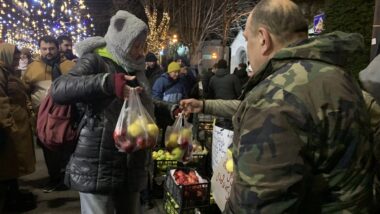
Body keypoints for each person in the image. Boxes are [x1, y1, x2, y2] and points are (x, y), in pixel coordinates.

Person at [180, 0, 373, 213]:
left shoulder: (276, 97)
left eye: (247, 39)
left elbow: (256, 205)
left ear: (263, 38)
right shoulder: (339, 77)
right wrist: (205, 105)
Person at [51, 10, 153, 214]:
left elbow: (142, 104)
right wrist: (107, 83)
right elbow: (59, 89)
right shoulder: (96, 61)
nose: (141, 52)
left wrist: (170, 108)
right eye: (136, 45)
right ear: (122, 42)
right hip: (97, 163)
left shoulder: (134, 68)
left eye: (143, 45)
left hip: (130, 161)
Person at [23, 36, 75, 193]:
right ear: (40, 49)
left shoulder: (69, 66)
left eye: (51, 48)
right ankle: (54, 178)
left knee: (67, 146)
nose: (48, 52)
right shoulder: (32, 68)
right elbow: (24, 92)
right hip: (42, 118)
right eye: (44, 49)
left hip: (66, 115)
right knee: (48, 149)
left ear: (58, 48)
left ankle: (67, 178)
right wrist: (31, 110)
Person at [0, 43, 36, 212]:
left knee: (14, 164)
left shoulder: (8, 70)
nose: (17, 59)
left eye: (18, 56)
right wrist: (8, 126)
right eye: (14, 56)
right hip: (10, 127)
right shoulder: (1, 71)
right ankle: (10, 201)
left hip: (18, 125)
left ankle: (14, 195)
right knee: (8, 164)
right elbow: (1, 101)